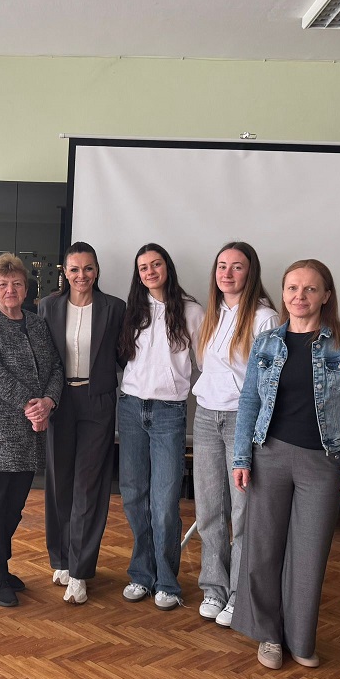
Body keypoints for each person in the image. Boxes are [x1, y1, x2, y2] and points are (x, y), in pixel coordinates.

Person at [231, 259, 340, 670]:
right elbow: (250, 401)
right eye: (292, 288)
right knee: (262, 550)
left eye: (310, 289)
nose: (300, 296)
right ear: (284, 292)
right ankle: (269, 636)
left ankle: (300, 639)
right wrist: (241, 456)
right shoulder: (267, 342)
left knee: (309, 556)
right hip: (269, 456)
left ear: (326, 295)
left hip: (322, 462)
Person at [0, 253, 64, 608]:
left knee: (14, 505)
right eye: (3, 284)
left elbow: (56, 368)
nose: (10, 290)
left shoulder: (37, 324)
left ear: (26, 289)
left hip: (29, 430)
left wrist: (48, 402)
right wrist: (31, 405)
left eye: (17, 284)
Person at [192, 243, 278, 627]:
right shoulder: (212, 315)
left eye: (237, 267)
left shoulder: (265, 319)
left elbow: (270, 384)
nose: (227, 273)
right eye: (222, 266)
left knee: (243, 514)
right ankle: (214, 588)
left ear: (251, 272)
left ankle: (239, 594)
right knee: (210, 511)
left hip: (243, 421)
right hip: (206, 417)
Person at [117, 244, 204, 610]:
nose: (150, 271)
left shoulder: (191, 311)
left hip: (169, 412)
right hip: (130, 408)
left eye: (156, 264)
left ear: (167, 267)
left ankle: (168, 582)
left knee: (165, 502)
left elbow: (206, 363)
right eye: (143, 267)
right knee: (134, 495)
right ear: (138, 275)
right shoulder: (131, 311)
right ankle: (142, 574)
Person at [39, 242, 125, 605]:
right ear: (65, 272)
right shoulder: (48, 306)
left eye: (88, 268)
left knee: (89, 486)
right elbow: (42, 357)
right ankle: (61, 558)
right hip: (59, 400)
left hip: (97, 401)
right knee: (59, 482)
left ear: (97, 270)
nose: (81, 275)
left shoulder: (114, 308)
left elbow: (123, 354)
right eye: (74, 269)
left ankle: (80, 570)